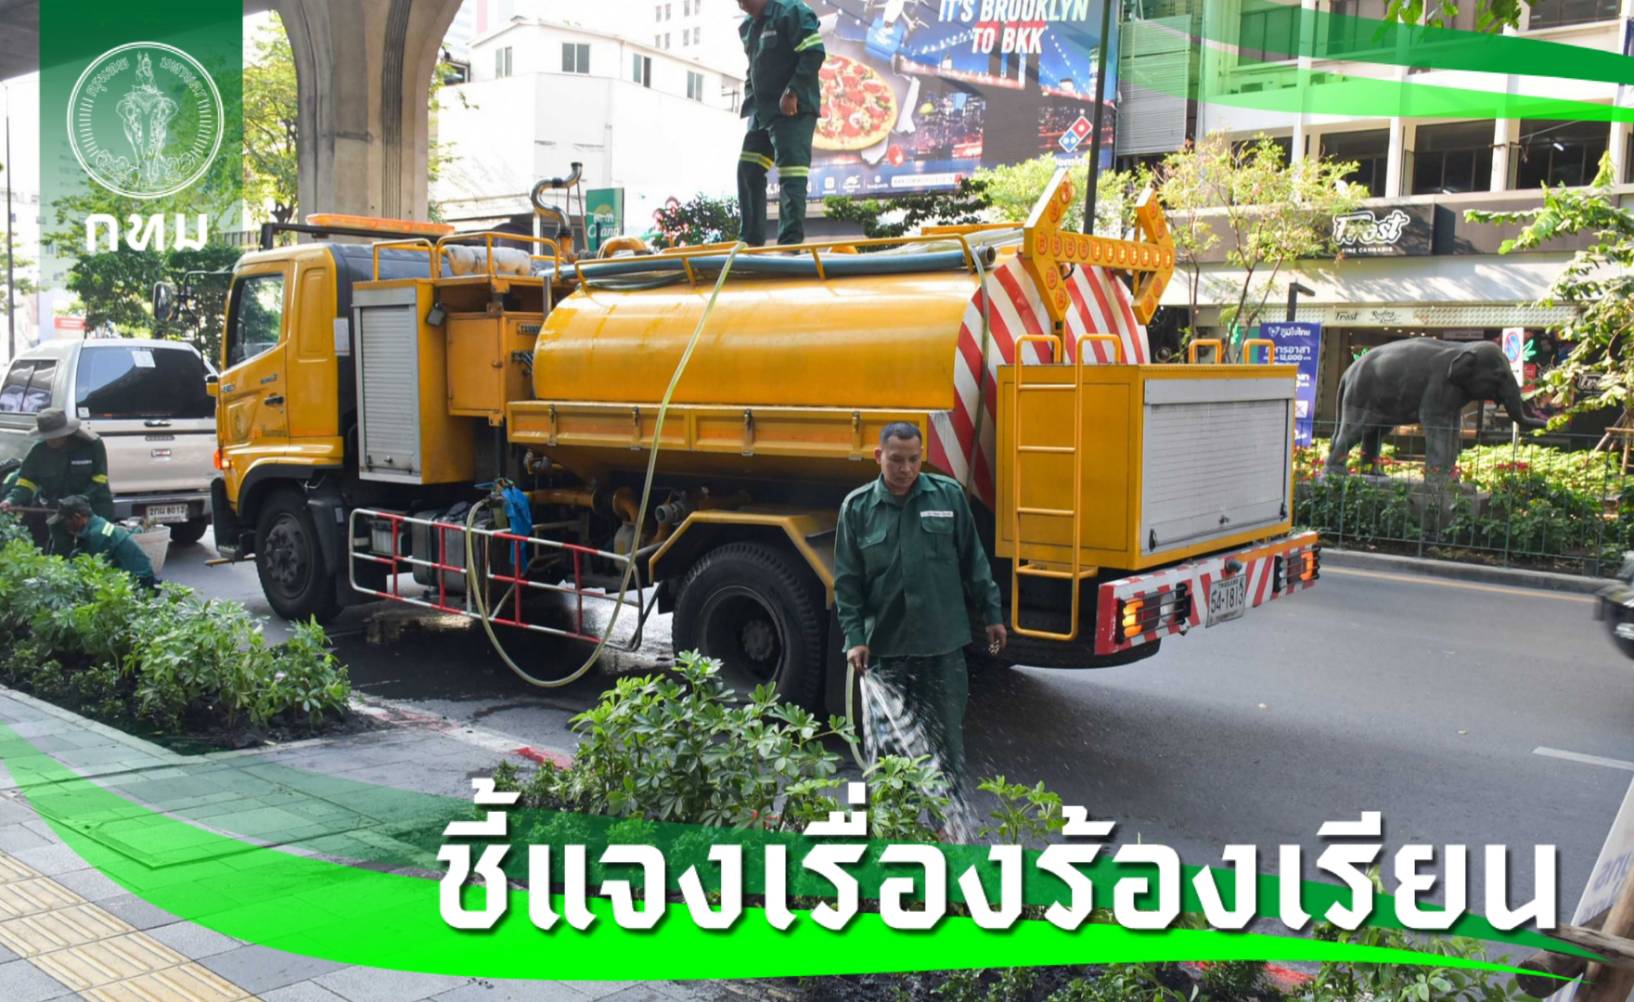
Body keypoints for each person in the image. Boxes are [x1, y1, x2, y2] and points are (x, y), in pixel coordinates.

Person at [833, 422, 1007, 792]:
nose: (906, 469)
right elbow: (847, 583)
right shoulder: (858, 508)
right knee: (888, 749)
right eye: (896, 460)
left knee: (946, 744)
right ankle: (893, 820)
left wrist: (992, 614)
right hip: (886, 650)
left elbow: (974, 561)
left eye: (914, 459)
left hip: (941, 648)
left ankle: (946, 817)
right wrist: (855, 637)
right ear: (878, 456)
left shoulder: (947, 497)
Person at [736, 0, 825, 246]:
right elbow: (753, 68)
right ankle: (749, 241)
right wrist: (750, 98)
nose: (741, 6)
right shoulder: (748, 27)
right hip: (762, 112)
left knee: (791, 174)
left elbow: (814, 52)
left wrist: (792, 91)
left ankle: (789, 245)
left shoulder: (791, 11)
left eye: (744, 0)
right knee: (748, 168)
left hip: (792, 111)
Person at [0, 409, 115, 554]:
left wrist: (81, 499)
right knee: (61, 552)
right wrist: (11, 500)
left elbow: (100, 478)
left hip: (95, 507)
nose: (52, 440)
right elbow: (26, 482)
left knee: (99, 549)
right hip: (59, 510)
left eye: (56, 436)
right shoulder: (38, 451)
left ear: (67, 432)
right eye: (48, 437)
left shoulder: (92, 445)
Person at [50, 496, 156, 588]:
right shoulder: (97, 524)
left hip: (139, 579)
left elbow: (90, 571)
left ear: (77, 517)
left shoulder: (97, 534)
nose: (64, 525)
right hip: (130, 574)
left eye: (65, 521)